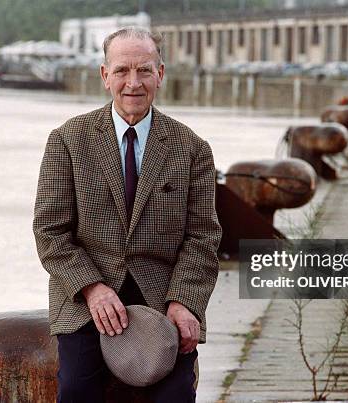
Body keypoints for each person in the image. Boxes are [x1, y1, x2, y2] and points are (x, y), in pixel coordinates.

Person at [33, 26, 222, 403]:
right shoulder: (68, 140)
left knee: (175, 396)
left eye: (144, 70)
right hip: (86, 298)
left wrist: (184, 300)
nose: (132, 83)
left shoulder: (193, 149)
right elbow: (50, 231)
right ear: (105, 76)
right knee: (76, 390)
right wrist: (92, 288)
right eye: (121, 71)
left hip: (163, 297)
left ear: (161, 74)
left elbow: (203, 238)